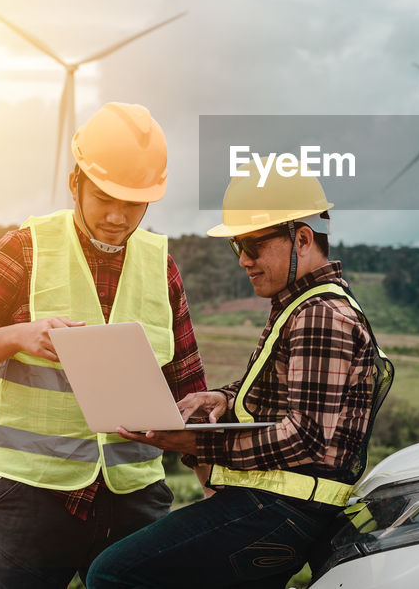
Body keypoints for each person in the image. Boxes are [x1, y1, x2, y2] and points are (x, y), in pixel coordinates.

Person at [0, 102, 207, 589]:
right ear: (75, 181)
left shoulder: (161, 267)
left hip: (135, 498)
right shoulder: (25, 249)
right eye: (105, 198)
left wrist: (213, 487)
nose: (119, 217)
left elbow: (189, 387)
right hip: (32, 498)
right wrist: (18, 335)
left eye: (135, 204)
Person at [85, 171, 393, 589]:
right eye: (237, 246)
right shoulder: (301, 305)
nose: (244, 259)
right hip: (281, 508)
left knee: (113, 572)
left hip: (278, 508)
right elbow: (283, 394)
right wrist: (222, 398)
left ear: (302, 239)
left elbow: (305, 437)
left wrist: (195, 442)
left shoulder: (319, 315)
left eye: (252, 245)